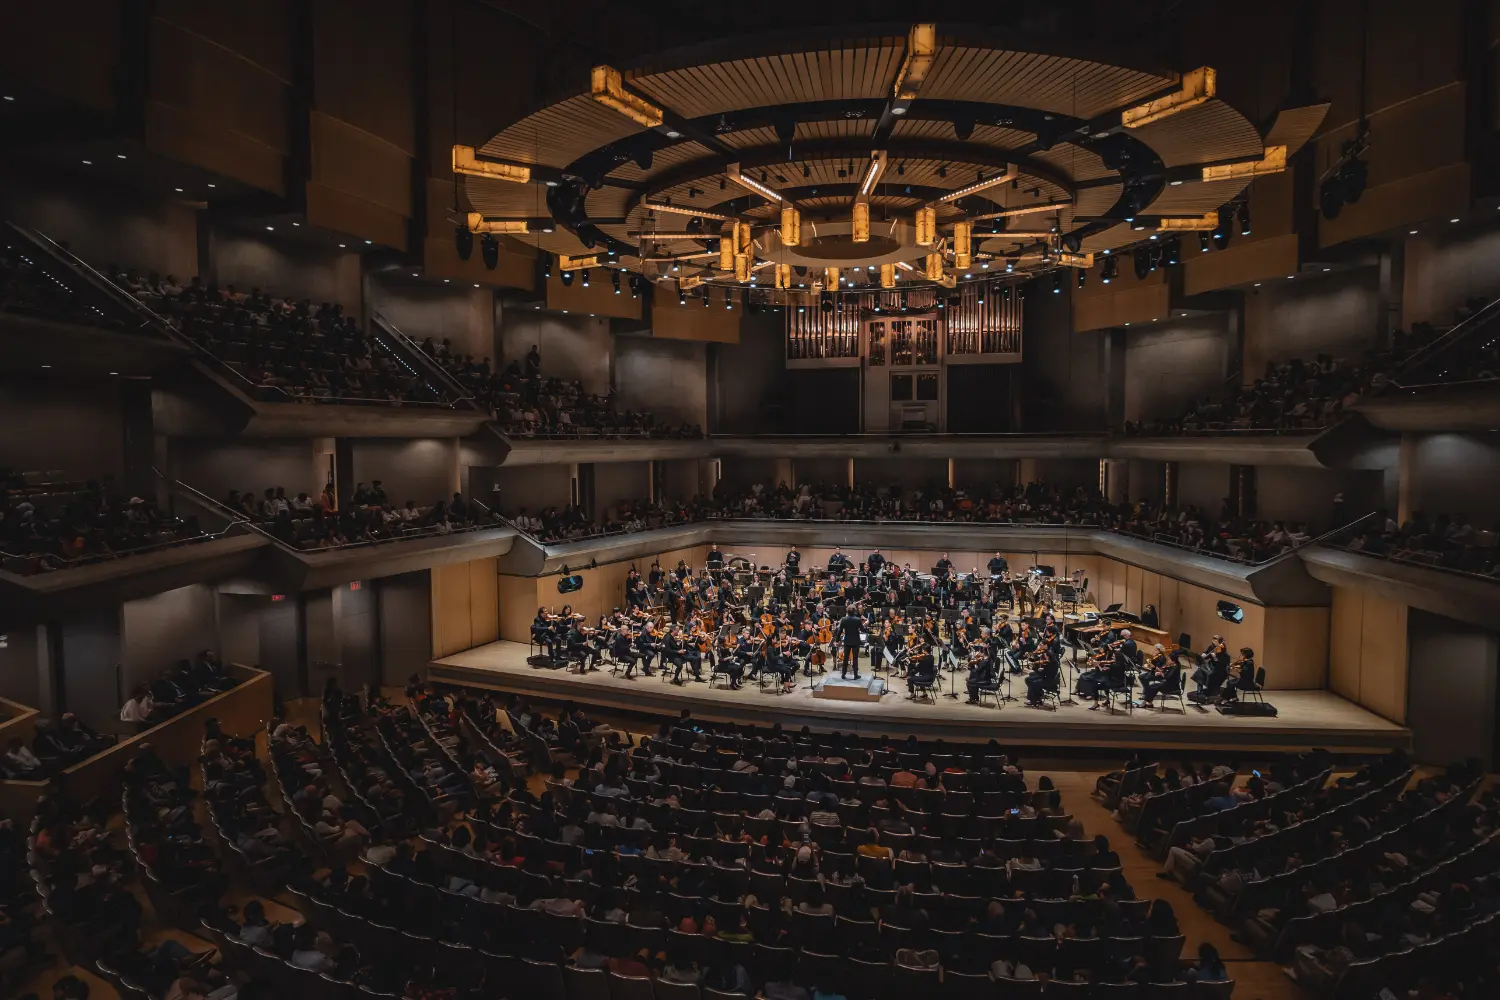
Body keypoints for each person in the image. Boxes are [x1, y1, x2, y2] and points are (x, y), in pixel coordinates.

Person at [839, 605, 863, 679]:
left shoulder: (843, 619)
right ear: (854, 611)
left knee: (845, 658)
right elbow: (862, 629)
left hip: (847, 641)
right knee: (855, 658)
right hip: (855, 641)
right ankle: (855, 675)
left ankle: (843, 674)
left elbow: (840, 631)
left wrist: (837, 640)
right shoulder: (858, 619)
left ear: (847, 611)